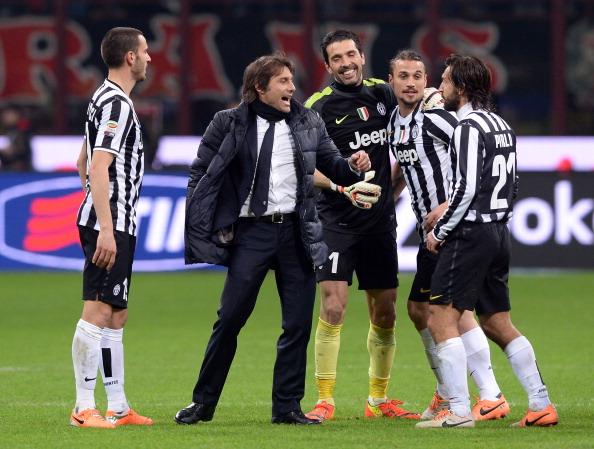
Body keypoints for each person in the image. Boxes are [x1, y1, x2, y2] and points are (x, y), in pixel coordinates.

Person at [175, 53, 371, 426]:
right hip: (251, 233)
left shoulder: (308, 120)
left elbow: (334, 164)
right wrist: (202, 214)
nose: (292, 88)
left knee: (296, 325)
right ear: (259, 88)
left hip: (296, 233)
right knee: (229, 319)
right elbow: (200, 171)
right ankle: (203, 403)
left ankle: (287, 408)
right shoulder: (227, 123)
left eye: (292, 80)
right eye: (283, 81)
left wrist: (353, 165)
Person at [417, 54, 558, 428]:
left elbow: (464, 189)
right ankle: (540, 403)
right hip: (498, 231)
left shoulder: (466, 128)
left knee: (440, 317)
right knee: (497, 322)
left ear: (461, 87)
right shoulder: (501, 124)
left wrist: (440, 231)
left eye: (445, 81)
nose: (440, 88)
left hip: (471, 233)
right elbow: (511, 185)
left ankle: (460, 411)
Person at [387, 49, 510, 422]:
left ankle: (486, 394)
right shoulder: (395, 121)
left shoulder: (438, 118)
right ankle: (450, 391)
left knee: (452, 312)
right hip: (431, 233)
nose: (411, 83)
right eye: (404, 76)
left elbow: (475, 155)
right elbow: (405, 166)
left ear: (428, 82)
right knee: (419, 309)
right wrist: (387, 198)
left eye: (419, 76)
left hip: (451, 228)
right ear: (390, 81)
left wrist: (447, 204)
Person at [304, 29, 419, 422]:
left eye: (351, 54)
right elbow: (303, 166)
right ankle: (324, 399)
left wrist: (393, 189)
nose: (346, 62)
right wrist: (340, 184)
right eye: (337, 58)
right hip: (335, 221)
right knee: (333, 306)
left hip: (379, 224)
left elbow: (408, 139)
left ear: (362, 56)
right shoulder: (317, 107)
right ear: (328, 66)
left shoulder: (384, 94)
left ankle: (377, 401)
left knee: (385, 312)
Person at [71, 27, 153, 429]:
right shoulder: (117, 105)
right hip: (112, 223)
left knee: (116, 314)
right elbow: (98, 166)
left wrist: (94, 206)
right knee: (98, 310)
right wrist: (104, 224)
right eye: (145, 50)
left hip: (116, 219)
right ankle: (84, 408)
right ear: (131, 58)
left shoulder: (102, 97)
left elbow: (81, 160)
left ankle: (118, 406)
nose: (150, 57)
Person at [0, 105, 32, 171]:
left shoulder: (23, 131)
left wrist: (13, 150)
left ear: (17, 115)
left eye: (9, 115)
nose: (6, 117)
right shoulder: (5, 130)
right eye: (4, 115)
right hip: (5, 170)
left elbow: (23, 151)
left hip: (21, 171)